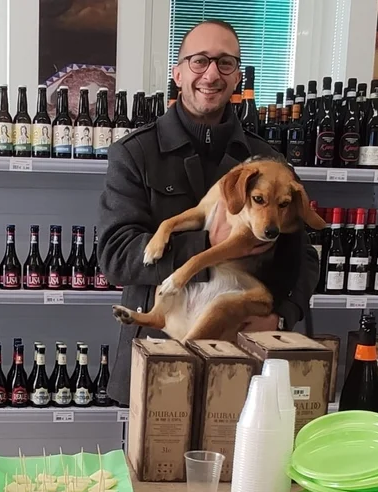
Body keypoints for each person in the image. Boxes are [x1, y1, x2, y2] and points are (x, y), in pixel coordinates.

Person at [96, 19, 320, 405]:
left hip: (240, 360)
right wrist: (206, 244)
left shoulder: (270, 164)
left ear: (237, 78)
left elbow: (306, 257)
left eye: (225, 63)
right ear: (178, 73)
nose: (212, 74)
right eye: (199, 61)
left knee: (242, 465)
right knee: (150, 467)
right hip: (156, 352)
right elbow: (116, 255)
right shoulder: (135, 153)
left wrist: (280, 316)